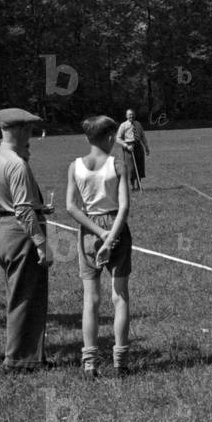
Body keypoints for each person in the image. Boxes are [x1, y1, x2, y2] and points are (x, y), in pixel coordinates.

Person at [0, 108, 52, 374]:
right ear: (18, 130)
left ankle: (26, 355)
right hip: (20, 231)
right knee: (27, 296)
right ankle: (21, 359)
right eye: (29, 129)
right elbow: (22, 209)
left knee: (17, 293)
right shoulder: (16, 163)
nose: (31, 134)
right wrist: (41, 243)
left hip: (1, 228)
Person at [67, 115, 133, 379]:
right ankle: (120, 361)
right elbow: (125, 206)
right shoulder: (118, 165)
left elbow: (72, 206)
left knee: (90, 300)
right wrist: (110, 236)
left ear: (87, 138)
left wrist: (97, 233)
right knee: (120, 296)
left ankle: (90, 362)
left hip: (88, 231)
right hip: (116, 228)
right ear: (109, 138)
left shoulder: (74, 167)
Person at [116, 109, 149, 192]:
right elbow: (118, 138)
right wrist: (126, 146)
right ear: (126, 116)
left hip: (138, 146)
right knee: (131, 167)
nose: (131, 116)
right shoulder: (123, 125)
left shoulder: (138, 124)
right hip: (128, 147)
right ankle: (132, 187)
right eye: (130, 115)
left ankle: (139, 186)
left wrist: (146, 147)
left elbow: (142, 136)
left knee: (139, 166)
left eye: (133, 114)